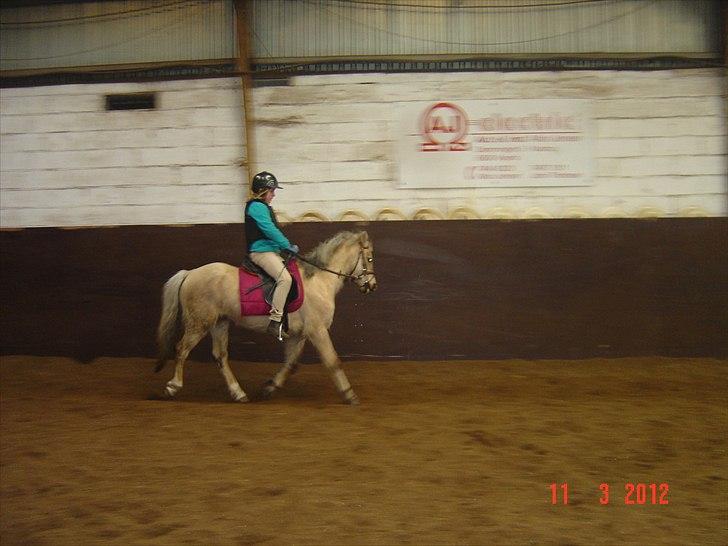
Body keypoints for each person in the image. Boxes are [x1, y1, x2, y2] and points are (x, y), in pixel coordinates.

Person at [244, 171, 299, 341]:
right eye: (272, 191)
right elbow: (269, 230)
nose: (274, 194)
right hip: (261, 253)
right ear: (262, 191)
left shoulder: (264, 207)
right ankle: (275, 321)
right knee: (285, 280)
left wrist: (283, 248)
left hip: (271, 251)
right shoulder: (256, 207)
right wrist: (286, 245)